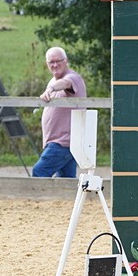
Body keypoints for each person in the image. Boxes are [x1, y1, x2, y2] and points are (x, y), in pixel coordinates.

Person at [33, 46, 87, 178]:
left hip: (62, 143)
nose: (55, 65)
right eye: (51, 62)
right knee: (66, 181)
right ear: (47, 64)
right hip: (63, 143)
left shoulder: (73, 77)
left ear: (66, 61)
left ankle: (40, 194)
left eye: (58, 61)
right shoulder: (53, 80)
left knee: (39, 171)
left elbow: (65, 83)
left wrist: (50, 89)